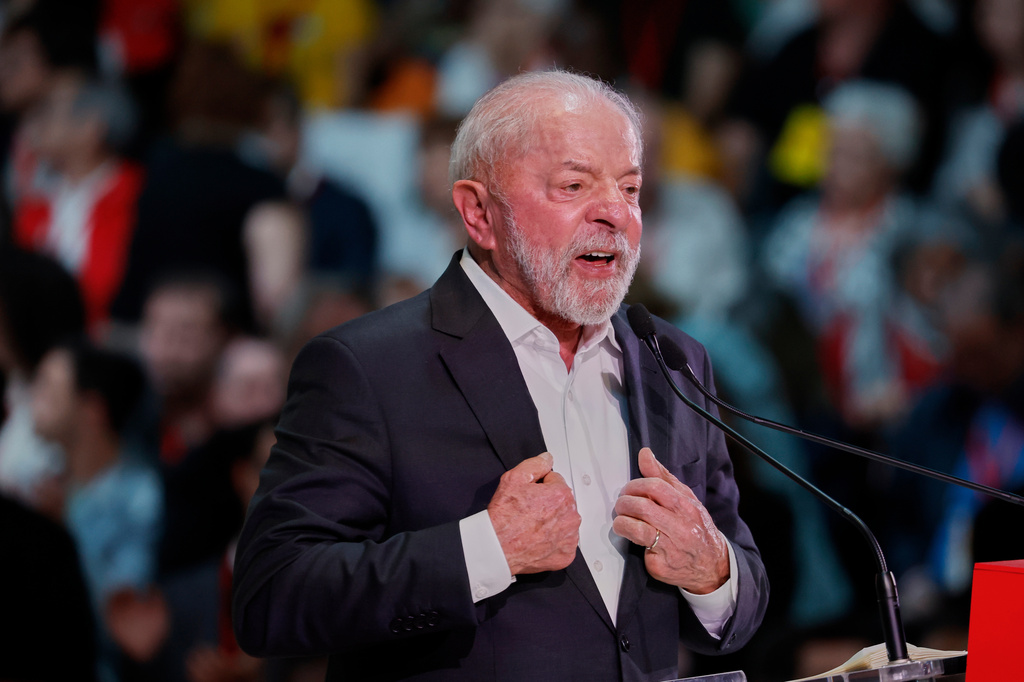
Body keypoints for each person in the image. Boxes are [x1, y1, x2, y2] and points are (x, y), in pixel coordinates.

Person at [233, 70, 768, 682]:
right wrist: (485, 550)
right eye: (573, 185)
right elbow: (272, 596)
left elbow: (742, 601)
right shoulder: (366, 368)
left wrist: (713, 572)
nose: (615, 214)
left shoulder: (672, 360)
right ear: (479, 213)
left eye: (630, 188)